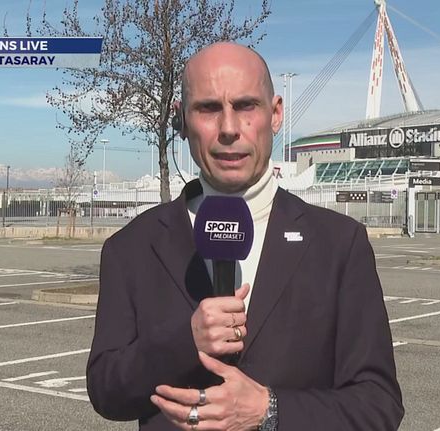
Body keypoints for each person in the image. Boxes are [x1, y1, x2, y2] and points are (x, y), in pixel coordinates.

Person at [87, 42, 403, 430]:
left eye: (245, 106)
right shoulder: (132, 247)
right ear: (181, 120)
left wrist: (269, 410)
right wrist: (185, 341)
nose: (229, 129)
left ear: (275, 113)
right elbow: (106, 391)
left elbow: (378, 405)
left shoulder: (340, 245)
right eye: (208, 108)